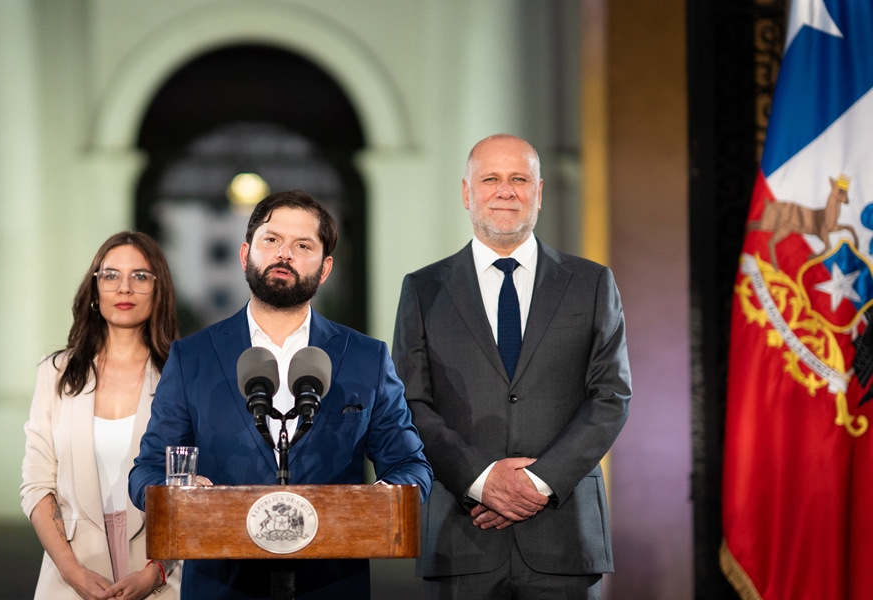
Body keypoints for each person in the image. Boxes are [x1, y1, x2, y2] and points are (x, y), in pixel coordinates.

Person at [128, 190, 433, 599]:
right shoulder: (193, 357)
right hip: (222, 585)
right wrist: (180, 493)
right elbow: (146, 470)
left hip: (330, 585)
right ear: (244, 254)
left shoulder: (366, 358)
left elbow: (410, 465)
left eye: (302, 245)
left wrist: (377, 500)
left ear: (325, 269)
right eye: (271, 240)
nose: (283, 253)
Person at [393, 135, 631, 599]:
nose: (506, 190)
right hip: (463, 538)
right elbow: (409, 404)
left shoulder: (592, 283)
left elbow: (611, 397)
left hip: (564, 538)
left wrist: (536, 485)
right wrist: (482, 482)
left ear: (539, 192)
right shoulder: (423, 289)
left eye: (519, 179)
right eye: (491, 179)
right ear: (467, 193)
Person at [21, 232, 181, 600]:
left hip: (157, 574)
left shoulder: (181, 376)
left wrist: (155, 571)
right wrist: (72, 571)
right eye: (110, 275)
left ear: (159, 291)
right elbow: (36, 484)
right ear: (95, 290)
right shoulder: (56, 373)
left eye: (140, 276)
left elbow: (189, 490)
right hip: (71, 572)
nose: (124, 288)